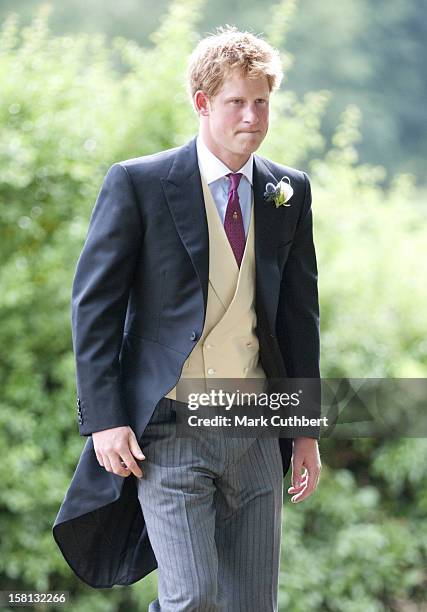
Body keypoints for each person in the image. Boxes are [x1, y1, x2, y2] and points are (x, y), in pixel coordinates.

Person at [52, 25, 322, 611]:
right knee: (191, 597)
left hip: (254, 428)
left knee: (253, 603)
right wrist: (105, 419)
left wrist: (304, 431)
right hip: (169, 430)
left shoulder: (288, 191)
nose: (252, 116)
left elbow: (300, 320)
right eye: (236, 102)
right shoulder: (140, 183)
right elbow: (94, 308)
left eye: (261, 102)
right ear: (202, 103)